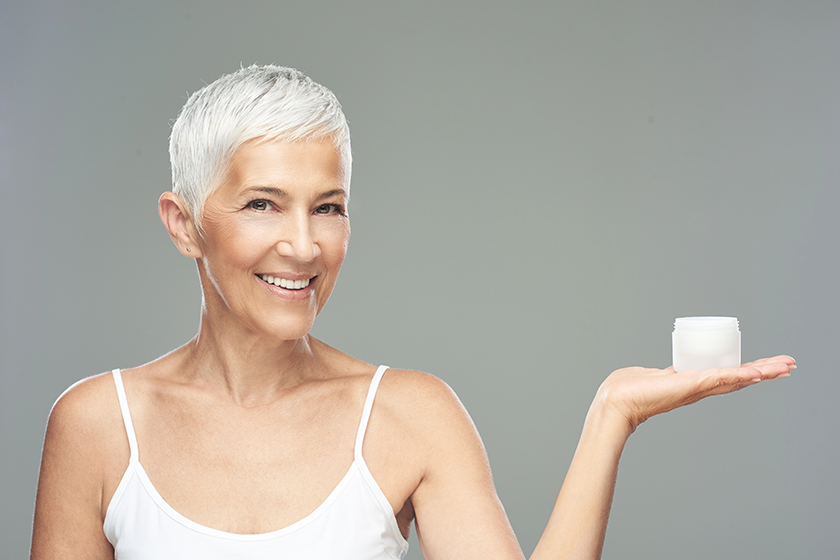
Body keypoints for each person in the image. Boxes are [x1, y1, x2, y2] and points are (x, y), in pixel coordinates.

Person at [30, 65, 794, 560]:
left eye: (328, 207)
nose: (304, 245)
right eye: (263, 203)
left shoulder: (411, 416)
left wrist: (611, 417)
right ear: (183, 224)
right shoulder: (97, 426)